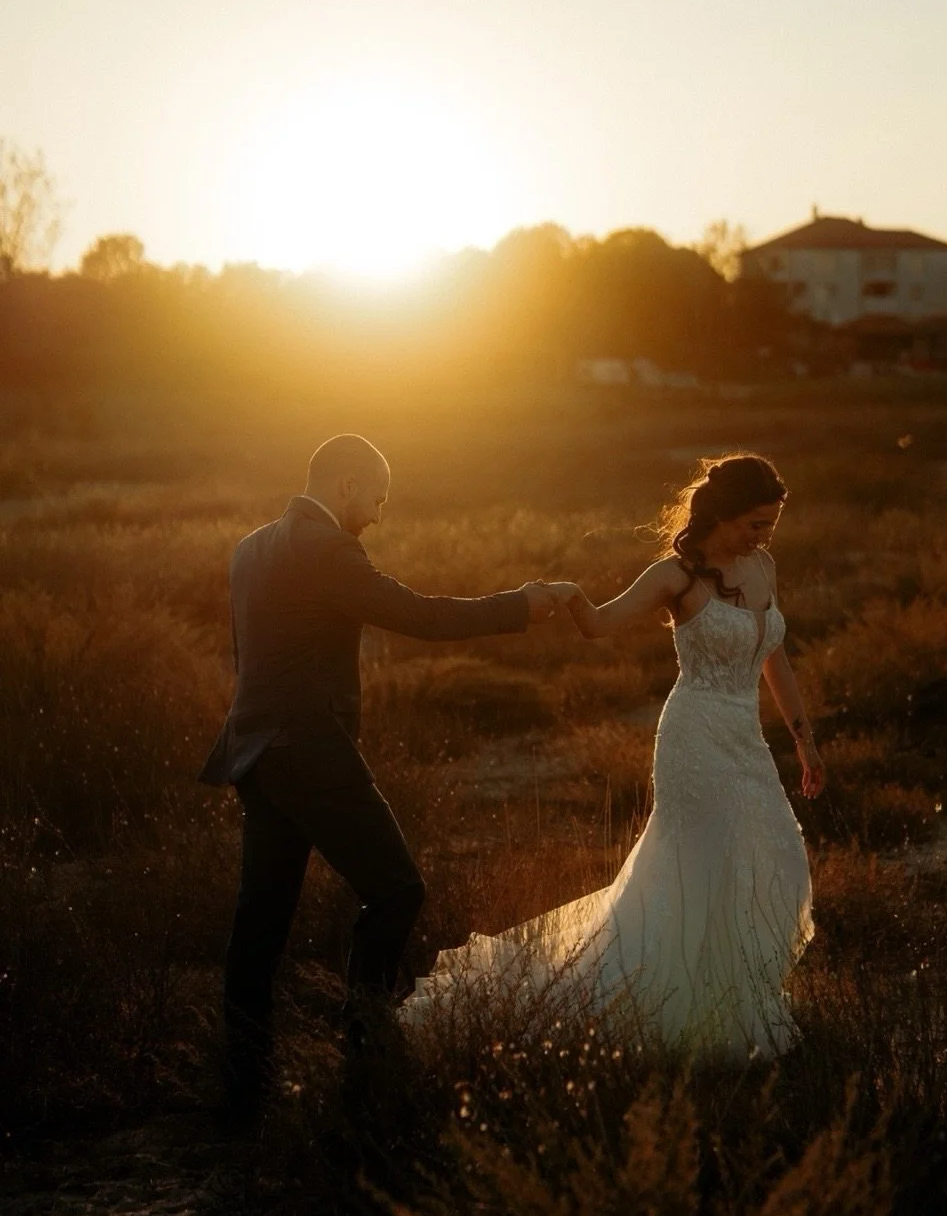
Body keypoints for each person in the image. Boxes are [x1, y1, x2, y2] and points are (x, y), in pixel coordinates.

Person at [403, 453, 823, 1063]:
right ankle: (668, 1002)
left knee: (776, 851)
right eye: (755, 524)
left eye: (771, 524)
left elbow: (773, 658)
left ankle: (735, 993)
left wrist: (804, 740)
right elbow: (599, 626)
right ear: (722, 514)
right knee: (698, 865)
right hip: (695, 736)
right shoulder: (673, 577)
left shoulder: (763, 567)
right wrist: (572, 597)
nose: (763, 536)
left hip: (746, 740)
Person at [199, 433, 556, 1113]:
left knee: (261, 921)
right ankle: (365, 1050)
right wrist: (522, 604)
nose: (379, 513)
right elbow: (417, 615)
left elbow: (249, 660)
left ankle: (243, 1084)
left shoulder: (250, 547)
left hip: (255, 753)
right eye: (377, 497)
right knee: (397, 889)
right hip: (308, 752)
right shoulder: (326, 548)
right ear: (344, 487)